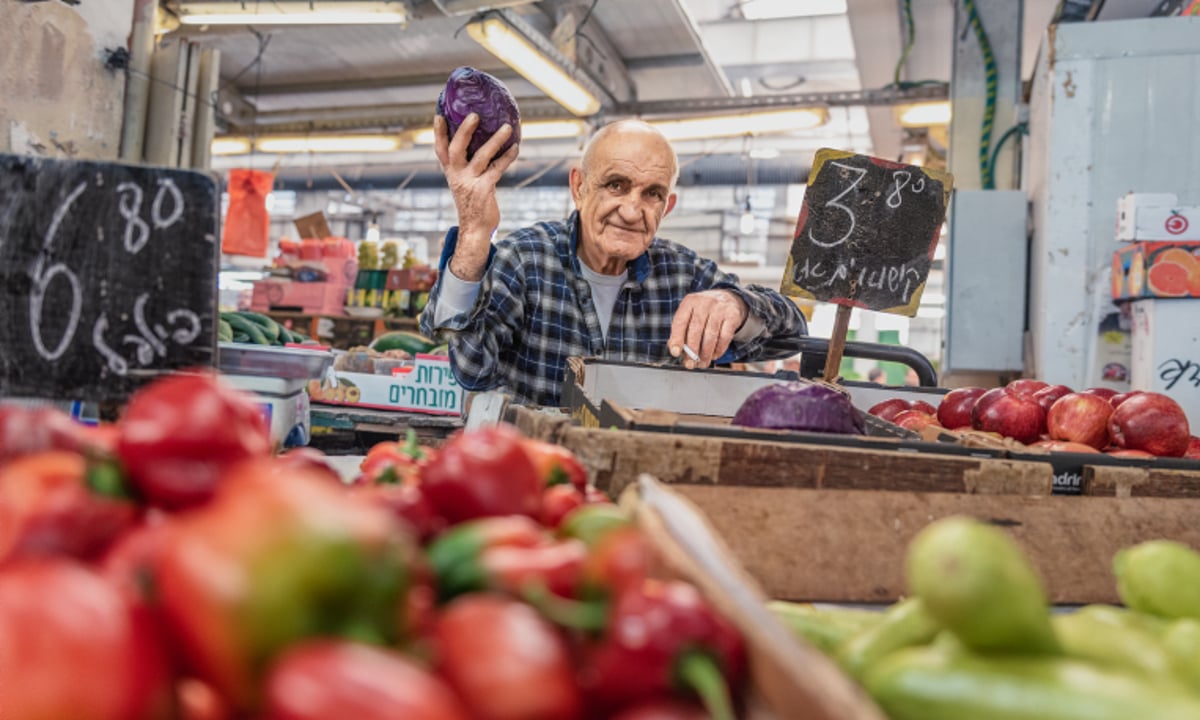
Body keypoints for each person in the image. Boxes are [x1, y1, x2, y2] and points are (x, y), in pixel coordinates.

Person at [420, 114, 809, 406]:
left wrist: (736, 304)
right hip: (536, 484)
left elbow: (794, 336)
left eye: (652, 193)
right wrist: (473, 236)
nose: (631, 209)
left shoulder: (683, 275)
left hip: (635, 487)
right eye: (616, 185)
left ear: (667, 206)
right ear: (579, 187)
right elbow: (471, 369)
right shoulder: (525, 259)